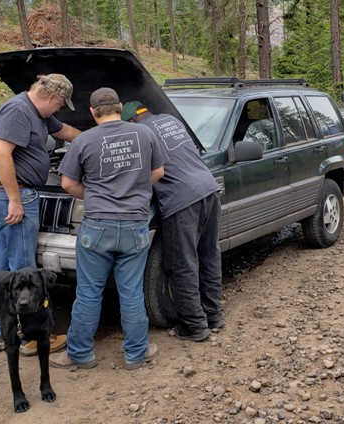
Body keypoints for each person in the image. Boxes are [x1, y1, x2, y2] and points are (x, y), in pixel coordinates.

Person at [51, 88, 165, 370]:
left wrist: (94, 196)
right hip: (135, 225)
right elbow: (158, 172)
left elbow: (66, 183)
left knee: (89, 292)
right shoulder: (145, 134)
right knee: (131, 292)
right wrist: (135, 189)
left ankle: (79, 354)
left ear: (92, 112)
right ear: (121, 107)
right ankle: (136, 354)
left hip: (97, 227)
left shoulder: (84, 140)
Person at [0, 73, 80, 354]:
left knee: (1, 265)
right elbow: (1, 154)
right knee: (23, 272)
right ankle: (30, 336)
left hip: (11, 194)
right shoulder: (18, 111)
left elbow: (64, 131)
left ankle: (2, 331)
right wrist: (15, 199)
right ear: (50, 97)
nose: (60, 110)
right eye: (60, 104)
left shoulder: (38, 114)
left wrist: (95, 138)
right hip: (14, 196)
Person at [123, 101, 224, 342]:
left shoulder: (141, 133)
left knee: (182, 262)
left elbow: (135, 171)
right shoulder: (171, 120)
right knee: (209, 254)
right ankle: (213, 315)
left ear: (131, 121)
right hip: (208, 189)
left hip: (182, 200)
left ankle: (193, 326)